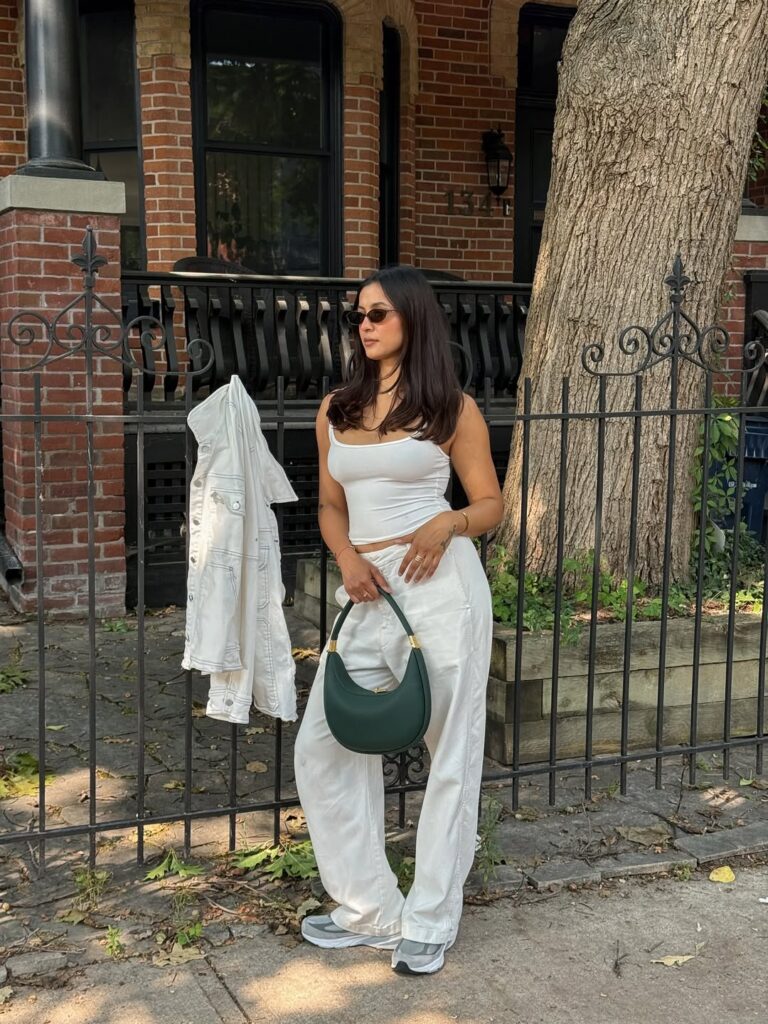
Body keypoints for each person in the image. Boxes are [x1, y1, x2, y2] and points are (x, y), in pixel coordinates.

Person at [294, 265, 503, 976]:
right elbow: (330, 506)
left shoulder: (450, 409)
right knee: (322, 746)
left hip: (441, 587)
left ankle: (431, 919)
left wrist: (449, 522)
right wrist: (346, 557)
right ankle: (369, 911)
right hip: (368, 590)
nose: (364, 325)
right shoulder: (337, 408)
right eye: (359, 315)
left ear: (413, 318)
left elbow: (491, 503)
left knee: (451, 753)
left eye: (378, 313)